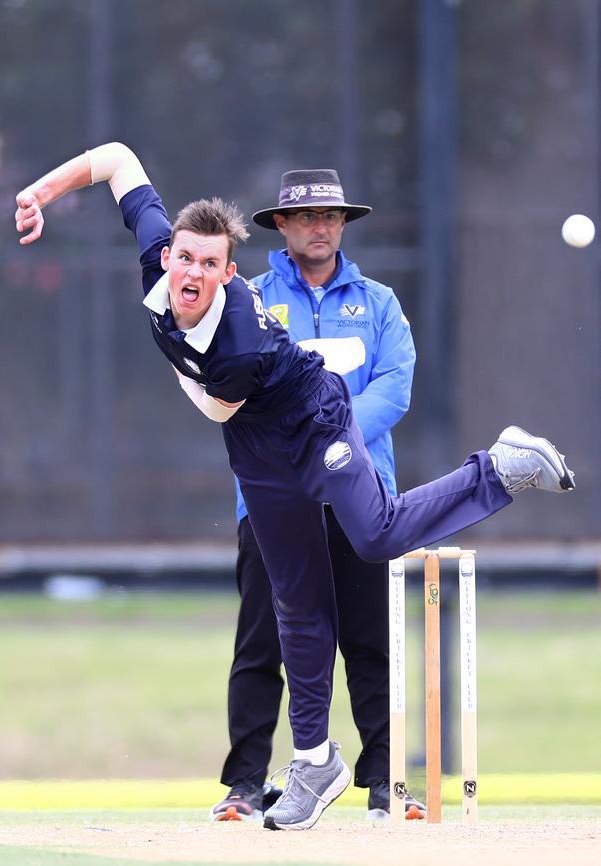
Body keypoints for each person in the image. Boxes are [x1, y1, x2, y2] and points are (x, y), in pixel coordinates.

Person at [14, 143, 575, 831]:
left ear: (228, 275)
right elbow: (116, 161)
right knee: (295, 604)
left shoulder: (240, 343)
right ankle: (313, 762)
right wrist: (40, 193)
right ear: (167, 254)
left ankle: (500, 467)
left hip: (312, 416)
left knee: (375, 536)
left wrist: (180, 364)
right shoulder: (162, 259)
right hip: (255, 447)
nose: (192, 271)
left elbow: (214, 406)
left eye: (210, 265)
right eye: (184, 257)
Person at [211, 169, 424, 823]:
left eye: (331, 216)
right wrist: (303, 444)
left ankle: (386, 783)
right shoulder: (248, 298)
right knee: (262, 642)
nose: (321, 227)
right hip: (273, 498)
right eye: (307, 217)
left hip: (360, 495)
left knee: (371, 643)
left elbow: (395, 384)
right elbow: (236, 386)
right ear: (281, 225)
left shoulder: (379, 302)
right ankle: (245, 785)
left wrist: (330, 442)